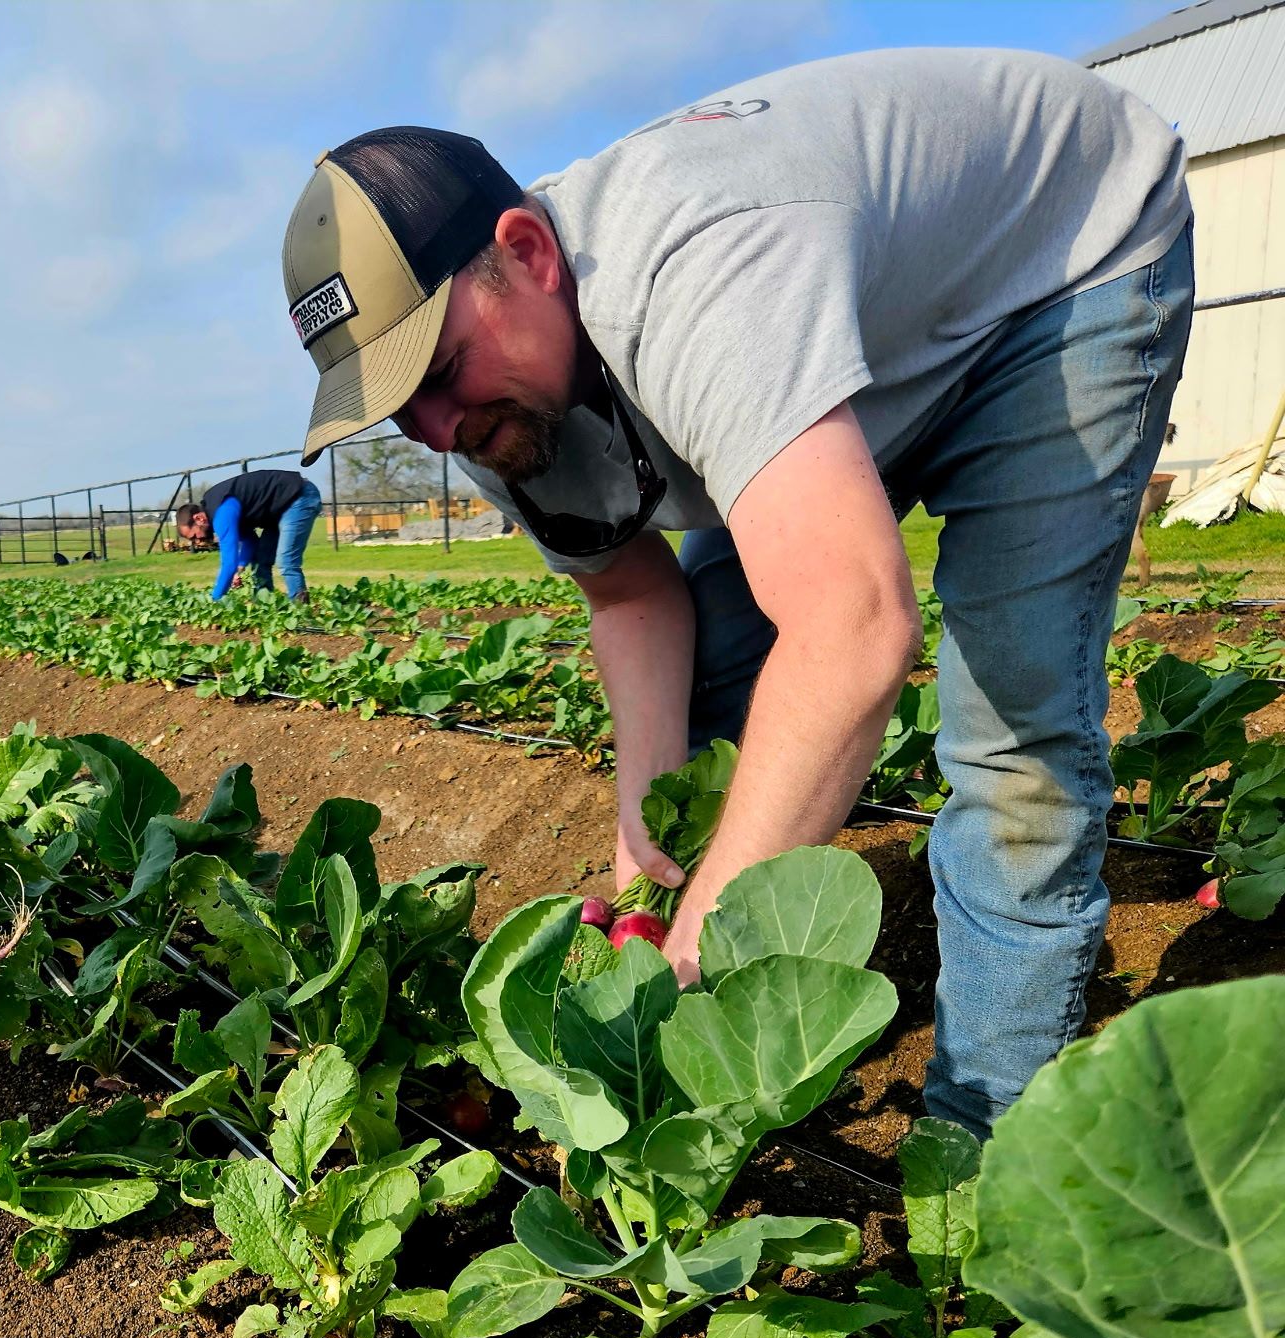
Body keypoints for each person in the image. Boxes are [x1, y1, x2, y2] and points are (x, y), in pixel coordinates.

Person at [281, 50, 1191, 1139]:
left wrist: (702, 932)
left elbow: (852, 629)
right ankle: (724, 1042)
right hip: (868, 324)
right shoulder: (492, 402)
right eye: (395, 409)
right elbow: (630, 601)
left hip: (1054, 267)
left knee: (1014, 736)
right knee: (720, 667)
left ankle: (983, 1151)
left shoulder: (698, 276)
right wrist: (642, 843)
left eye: (435, 374)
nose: (435, 432)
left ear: (524, 255)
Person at [200, 469, 325, 601]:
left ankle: (301, 609)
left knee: (286, 560)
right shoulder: (217, 506)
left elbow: (229, 564)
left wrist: (216, 599)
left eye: (193, 536)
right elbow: (250, 541)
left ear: (198, 519)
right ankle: (265, 604)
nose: (196, 541)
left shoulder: (221, 512)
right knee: (260, 559)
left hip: (299, 496)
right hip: (279, 509)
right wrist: (240, 567)